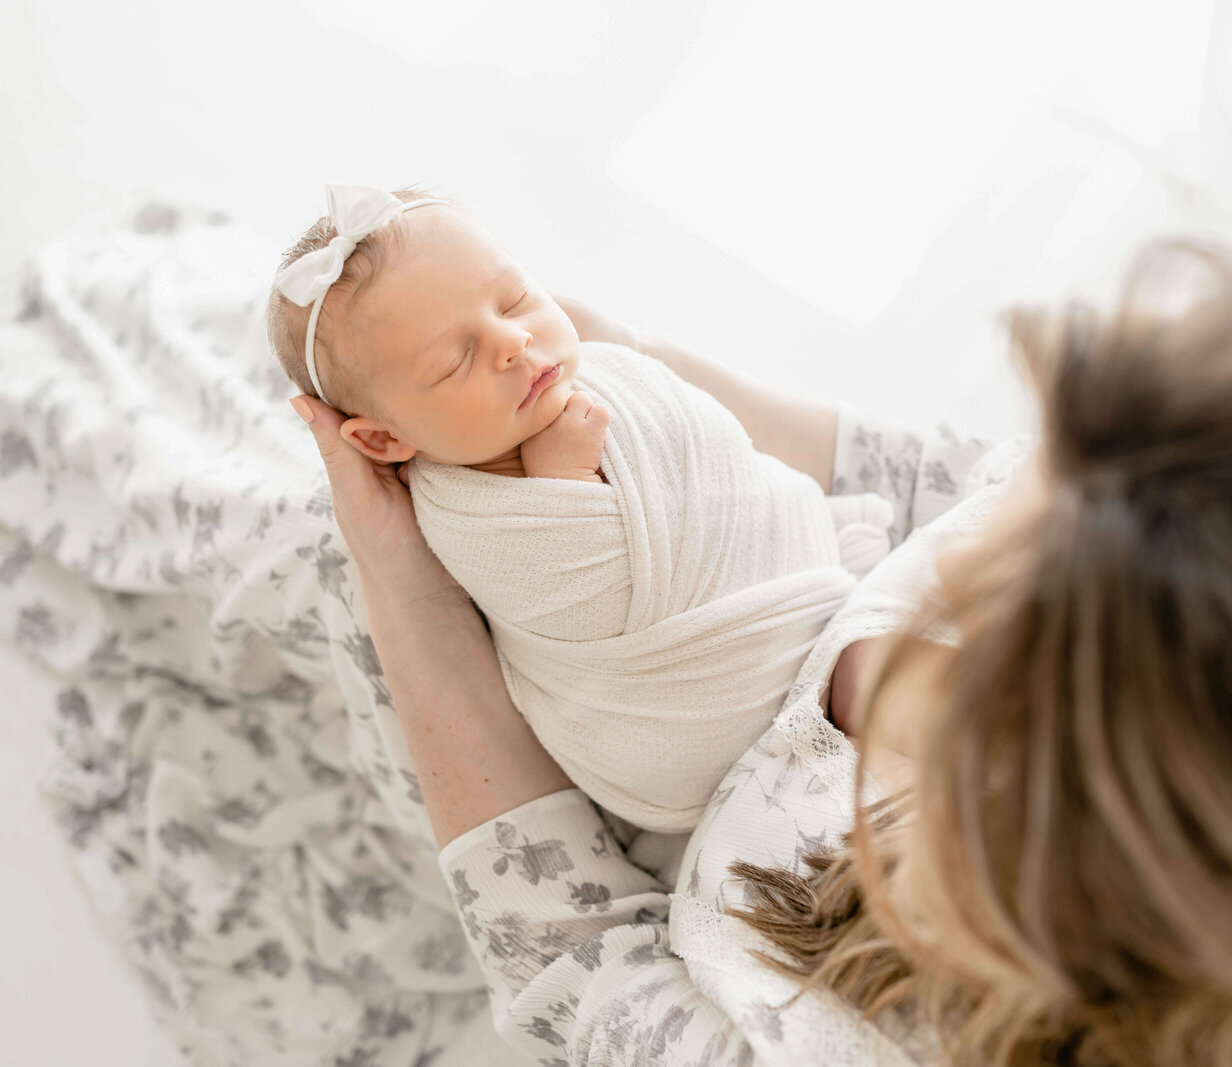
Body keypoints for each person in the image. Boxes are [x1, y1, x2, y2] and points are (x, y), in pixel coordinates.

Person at [287, 241, 1232, 1066]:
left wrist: (406, 590)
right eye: (1038, 472)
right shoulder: (1169, 527)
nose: (940, 579)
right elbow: (924, 481)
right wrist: (630, 374)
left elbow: (580, 972)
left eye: (982, 649)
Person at [267, 184, 893, 840]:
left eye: (514, 300)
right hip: (691, 717)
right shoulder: (461, 515)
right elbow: (580, 610)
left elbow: (714, 450)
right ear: (384, 439)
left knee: (885, 667)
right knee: (868, 678)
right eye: (457, 361)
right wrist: (563, 478)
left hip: (788, 586)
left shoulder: (607, 373)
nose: (513, 341)